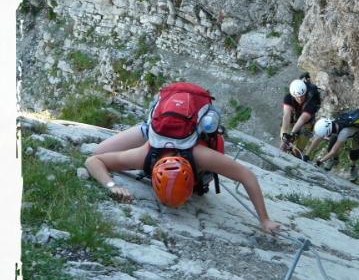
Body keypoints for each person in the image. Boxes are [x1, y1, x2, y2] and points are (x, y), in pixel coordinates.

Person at [85, 97, 280, 237]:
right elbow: (93, 160)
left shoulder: (201, 155)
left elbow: (246, 175)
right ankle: (148, 126)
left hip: (191, 140)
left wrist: (264, 219)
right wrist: (112, 185)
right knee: (98, 150)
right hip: (156, 133)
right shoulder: (145, 154)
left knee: (206, 177)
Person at [304, 110, 359, 182]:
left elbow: (333, 151)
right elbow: (318, 139)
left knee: (354, 153)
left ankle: (353, 167)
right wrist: (307, 154)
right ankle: (335, 159)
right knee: (331, 145)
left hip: (358, 132)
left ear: (329, 132)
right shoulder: (331, 123)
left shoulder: (344, 132)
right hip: (343, 130)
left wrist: (319, 162)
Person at [280, 78, 321, 159]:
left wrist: (291, 134)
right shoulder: (288, 97)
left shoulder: (312, 102)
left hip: (306, 124)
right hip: (291, 121)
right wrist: (285, 132)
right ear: (293, 95)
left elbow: (302, 120)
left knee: (297, 152)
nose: (300, 99)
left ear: (305, 92)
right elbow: (287, 115)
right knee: (283, 145)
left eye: (302, 95)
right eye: (297, 97)